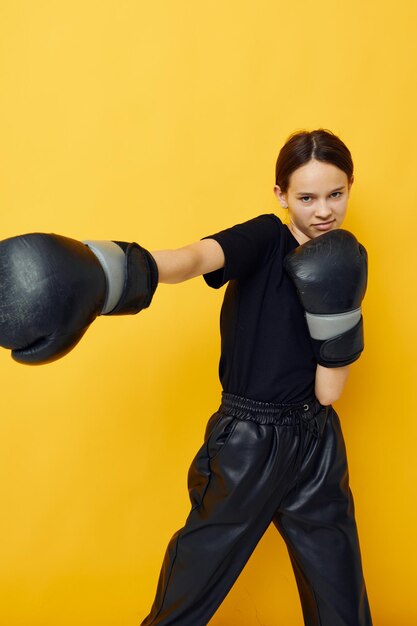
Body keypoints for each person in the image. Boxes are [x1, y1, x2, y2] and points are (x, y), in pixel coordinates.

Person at [0, 129, 373, 625]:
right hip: (250, 441)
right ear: (281, 195)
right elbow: (194, 258)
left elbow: (328, 391)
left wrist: (339, 314)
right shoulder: (265, 238)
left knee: (341, 596)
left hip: (317, 438)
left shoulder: (346, 259)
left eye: (335, 194)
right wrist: (110, 276)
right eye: (306, 197)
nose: (323, 210)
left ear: (351, 186)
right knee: (192, 587)